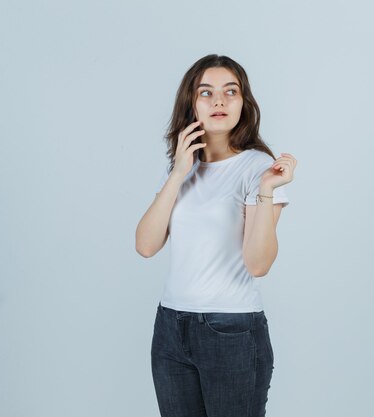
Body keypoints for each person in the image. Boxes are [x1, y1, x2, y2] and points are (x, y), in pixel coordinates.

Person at [135, 54, 297, 417]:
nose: (219, 101)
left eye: (230, 91)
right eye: (206, 92)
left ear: (244, 102)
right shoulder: (181, 167)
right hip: (170, 328)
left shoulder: (257, 168)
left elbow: (258, 264)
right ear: (191, 104)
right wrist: (178, 173)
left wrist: (267, 190)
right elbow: (146, 245)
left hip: (231, 332)